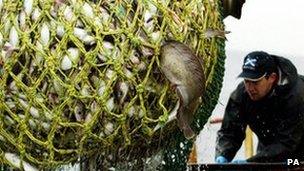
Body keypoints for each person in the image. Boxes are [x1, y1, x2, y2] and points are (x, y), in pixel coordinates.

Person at [215, 51, 304, 163]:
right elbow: (230, 132)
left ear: (272, 77)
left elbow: (287, 143)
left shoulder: (296, 95)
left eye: (255, 82)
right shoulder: (242, 94)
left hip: (295, 147)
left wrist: (252, 162)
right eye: (247, 81)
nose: (250, 88)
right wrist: (223, 154)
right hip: (268, 149)